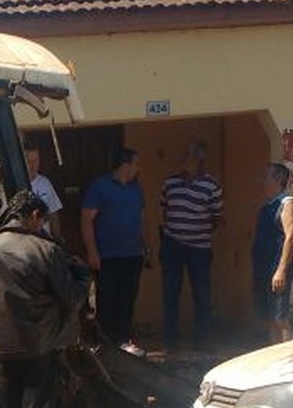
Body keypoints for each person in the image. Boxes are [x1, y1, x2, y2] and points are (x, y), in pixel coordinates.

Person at [0, 190, 91, 408]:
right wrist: (83, 276)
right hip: (38, 346)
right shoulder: (48, 250)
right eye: (43, 221)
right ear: (35, 216)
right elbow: (70, 297)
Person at [80, 147, 149, 355]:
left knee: (127, 300)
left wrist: (147, 245)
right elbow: (86, 220)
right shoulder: (99, 187)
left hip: (133, 254)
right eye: (136, 163)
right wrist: (92, 252)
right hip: (108, 256)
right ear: (125, 165)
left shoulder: (136, 189)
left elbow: (142, 218)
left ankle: (123, 340)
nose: (139, 168)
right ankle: (104, 344)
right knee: (107, 300)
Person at [159, 141, 224, 351]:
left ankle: (201, 341)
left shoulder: (211, 186)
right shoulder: (170, 183)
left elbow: (217, 217)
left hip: (200, 249)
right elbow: (164, 210)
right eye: (184, 156)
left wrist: (198, 232)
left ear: (199, 162)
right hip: (172, 246)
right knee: (170, 294)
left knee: (202, 295)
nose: (183, 161)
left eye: (188, 157)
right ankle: (171, 342)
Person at [251, 163, 293, 343]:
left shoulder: (288, 204)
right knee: (271, 319)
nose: (263, 181)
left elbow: (291, 237)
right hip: (263, 269)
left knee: (281, 318)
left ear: (278, 179)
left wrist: (281, 270)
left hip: (276, 270)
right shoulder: (267, 207)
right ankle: (279, 363)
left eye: (266, 177)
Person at [23, 138, 63, 239]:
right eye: (29, 161)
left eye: (36, 160)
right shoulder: (13, 183)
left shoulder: (45, 183)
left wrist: (57, 239)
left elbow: (53, 214)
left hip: (43, 241)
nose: (33, 165)